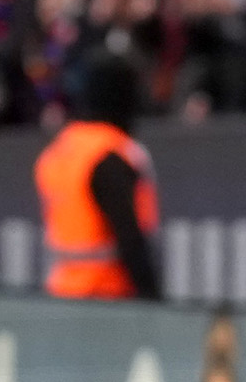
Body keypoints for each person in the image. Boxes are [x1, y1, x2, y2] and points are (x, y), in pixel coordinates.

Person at [35, 50, 165, 302]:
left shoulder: (59, 150)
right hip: (106, 297)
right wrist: (154, 303)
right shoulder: (107, 156)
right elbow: (130, 240)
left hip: (63, 291)